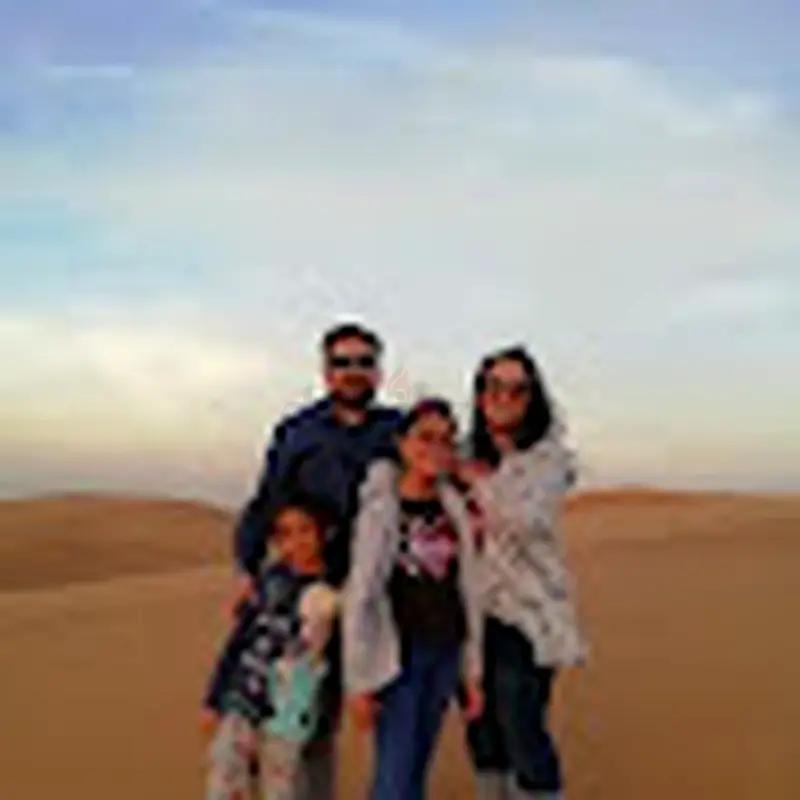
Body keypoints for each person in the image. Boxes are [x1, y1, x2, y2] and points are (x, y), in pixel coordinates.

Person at [208, 321, 403, 800]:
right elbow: (267, 501)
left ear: (378, 372)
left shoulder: (396, 429)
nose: (353, 371)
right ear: (325, 371)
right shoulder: (298, 432)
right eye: (342, 362)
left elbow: (436, 465)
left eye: (364, 362)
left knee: (331, 717)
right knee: (284, 707)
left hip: (372, 593)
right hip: (303, 589)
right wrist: (246, 567)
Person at [458, 346, 587, 800]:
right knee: (482, 730)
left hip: (527, 613)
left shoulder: (548, 460)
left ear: (533, 398)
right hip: (469, 612)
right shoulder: (462, 452)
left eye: (518, 389)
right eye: (495, 387)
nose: (505, 397)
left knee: (522, 726)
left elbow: (526, 520)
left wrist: (476, 482)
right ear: (480, 395)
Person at [342, 398, 485, 800]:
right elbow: (361, 594)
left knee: (417, 765)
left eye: (446, 440)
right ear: (402, 443)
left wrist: (471, 671)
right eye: (425, 437)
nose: (435, 448)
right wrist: (358, 681)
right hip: (397, 658)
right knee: (395, 773)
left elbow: (468, 590)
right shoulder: (381, 509)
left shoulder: (454, 507)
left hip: (445, 651)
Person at [204, 494, 340, 800]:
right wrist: (214, 698)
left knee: (283, 788)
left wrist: (326, 715)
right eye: (285, 534)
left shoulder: (330, 593)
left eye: (305, 530)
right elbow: (240, 640)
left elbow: (332, 662)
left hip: (288, 713)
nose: (297, 541)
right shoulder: (269, 579)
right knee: (225, 777)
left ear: (323, 533)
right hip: (242, 698)